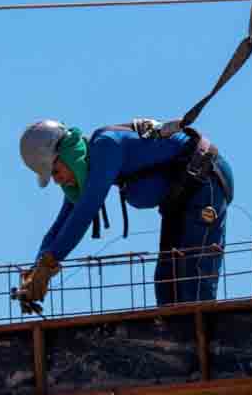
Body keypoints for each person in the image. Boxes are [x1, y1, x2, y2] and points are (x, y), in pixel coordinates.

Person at [17, 118, 234, 308]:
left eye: (55, 171)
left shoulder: (105, 146)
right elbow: (61, 223)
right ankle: (179, 346)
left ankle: (204, 345)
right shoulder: (88, 170)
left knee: (192, 281)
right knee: (167, 285)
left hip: (204, 183)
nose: (56, 180)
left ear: (67, 154)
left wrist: (50, 262)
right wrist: (37, 269)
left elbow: (85, 211)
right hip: (181, 199)